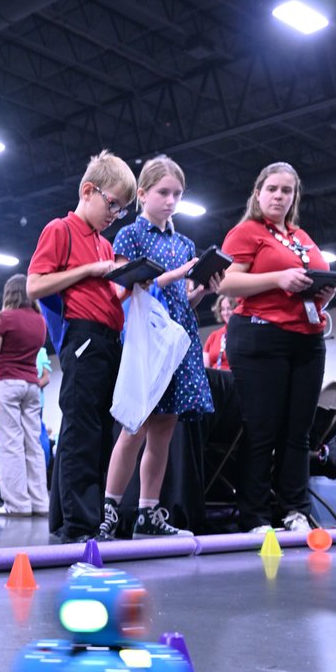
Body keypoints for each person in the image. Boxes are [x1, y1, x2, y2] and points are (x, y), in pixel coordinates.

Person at [100, 156, 221, 540]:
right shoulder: (130, 236)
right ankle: (110, 509)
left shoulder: (185, 242)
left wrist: (201, 288)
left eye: (177, 195)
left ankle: (148, 513)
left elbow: (183, 300)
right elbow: (124, 289)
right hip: (145, 340)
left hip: (179, 340)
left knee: (163, 432)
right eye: (163, 192)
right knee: (133, 427)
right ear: (142, 195)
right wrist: (179, 273)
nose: (171, 201)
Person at [220, 161, 336, 533]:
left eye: (286, 190)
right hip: (260, 335)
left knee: (299, 432)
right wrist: (278, 278)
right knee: (262, 428)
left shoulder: (301, 236)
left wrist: (327, 293)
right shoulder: (246, 232)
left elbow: (307, 288)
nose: (279, 196)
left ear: (294, 197)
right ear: (258, 193)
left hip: (307, 337)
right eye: (272, 188)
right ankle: (254, 514)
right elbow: (226, 283)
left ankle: (295, 509)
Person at [26, 149, 137, 543]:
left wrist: (131, 285)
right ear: (88, 191)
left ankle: (86, 519)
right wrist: (89, 270)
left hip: (108, 338)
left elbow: (101, 295)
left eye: (122, 210)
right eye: (112, 204)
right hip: (83, 337)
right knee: (81, 431)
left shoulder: (104, 245)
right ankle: (77, 523)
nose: (114, 215)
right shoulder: (61, 229)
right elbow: (35, 285)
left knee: (102, 431)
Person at [0, 274, 49, 517]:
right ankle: (40, 502)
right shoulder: (40, 321)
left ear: (9, 293)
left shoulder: (4, 318)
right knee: (33, 443)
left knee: (10, 444)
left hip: (6, 382)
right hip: (31, 385)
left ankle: (17, 504)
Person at [203, 296, 232, 371]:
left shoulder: (244, 334)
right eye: (223, 309)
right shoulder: (214, 335)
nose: (226, 313)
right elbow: (205, 368)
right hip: (216, 379)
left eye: (229, 308)